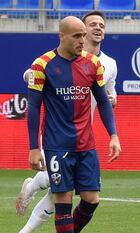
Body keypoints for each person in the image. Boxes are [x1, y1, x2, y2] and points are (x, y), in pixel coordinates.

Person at [17, 11, 118, 233]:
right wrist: (34, 148)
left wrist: (113, 135)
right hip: (57, 144)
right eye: (77, 36)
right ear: (62, 36)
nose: (82, 40)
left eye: (84, 35)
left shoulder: (94, 64)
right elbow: (33, 107)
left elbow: (103, 100)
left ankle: (33, 187)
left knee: (92, 199)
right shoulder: (42, 64)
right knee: (62, 201)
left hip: (86, 144)